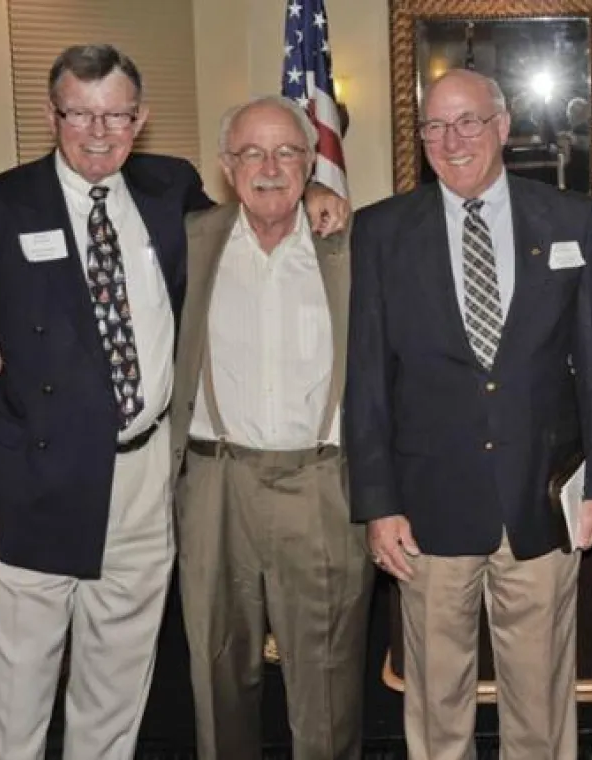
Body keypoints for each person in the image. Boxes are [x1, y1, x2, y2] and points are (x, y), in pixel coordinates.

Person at [0, 44, 347, 760]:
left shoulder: (169, 190)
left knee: (116, 695)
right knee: (15, 703)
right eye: (81, 114)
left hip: (146, 480)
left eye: (117, 115)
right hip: (31, 489)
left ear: (141, 118)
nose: (99, 132)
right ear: (52, 115)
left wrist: (314, 193)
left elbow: (260, 204)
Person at [345, 68, 592, 760]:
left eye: (468, 121)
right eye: (436, 125)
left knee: (541, 693)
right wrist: (378, 503)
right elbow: (368, 379)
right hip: (428, 508)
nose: (452, 139)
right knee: (437, 699)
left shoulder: (570, 218)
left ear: (503, 127)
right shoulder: (381, 230)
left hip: (541, 499)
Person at [167, 95, 371, 760]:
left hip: (321, 485)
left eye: (288, 152)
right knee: (217, 670)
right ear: (226, 165)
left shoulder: (351, 247)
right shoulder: (189, 241)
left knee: (329, 680)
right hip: (215, 482)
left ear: (312, 163)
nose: (269, 166)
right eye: (251, 152)